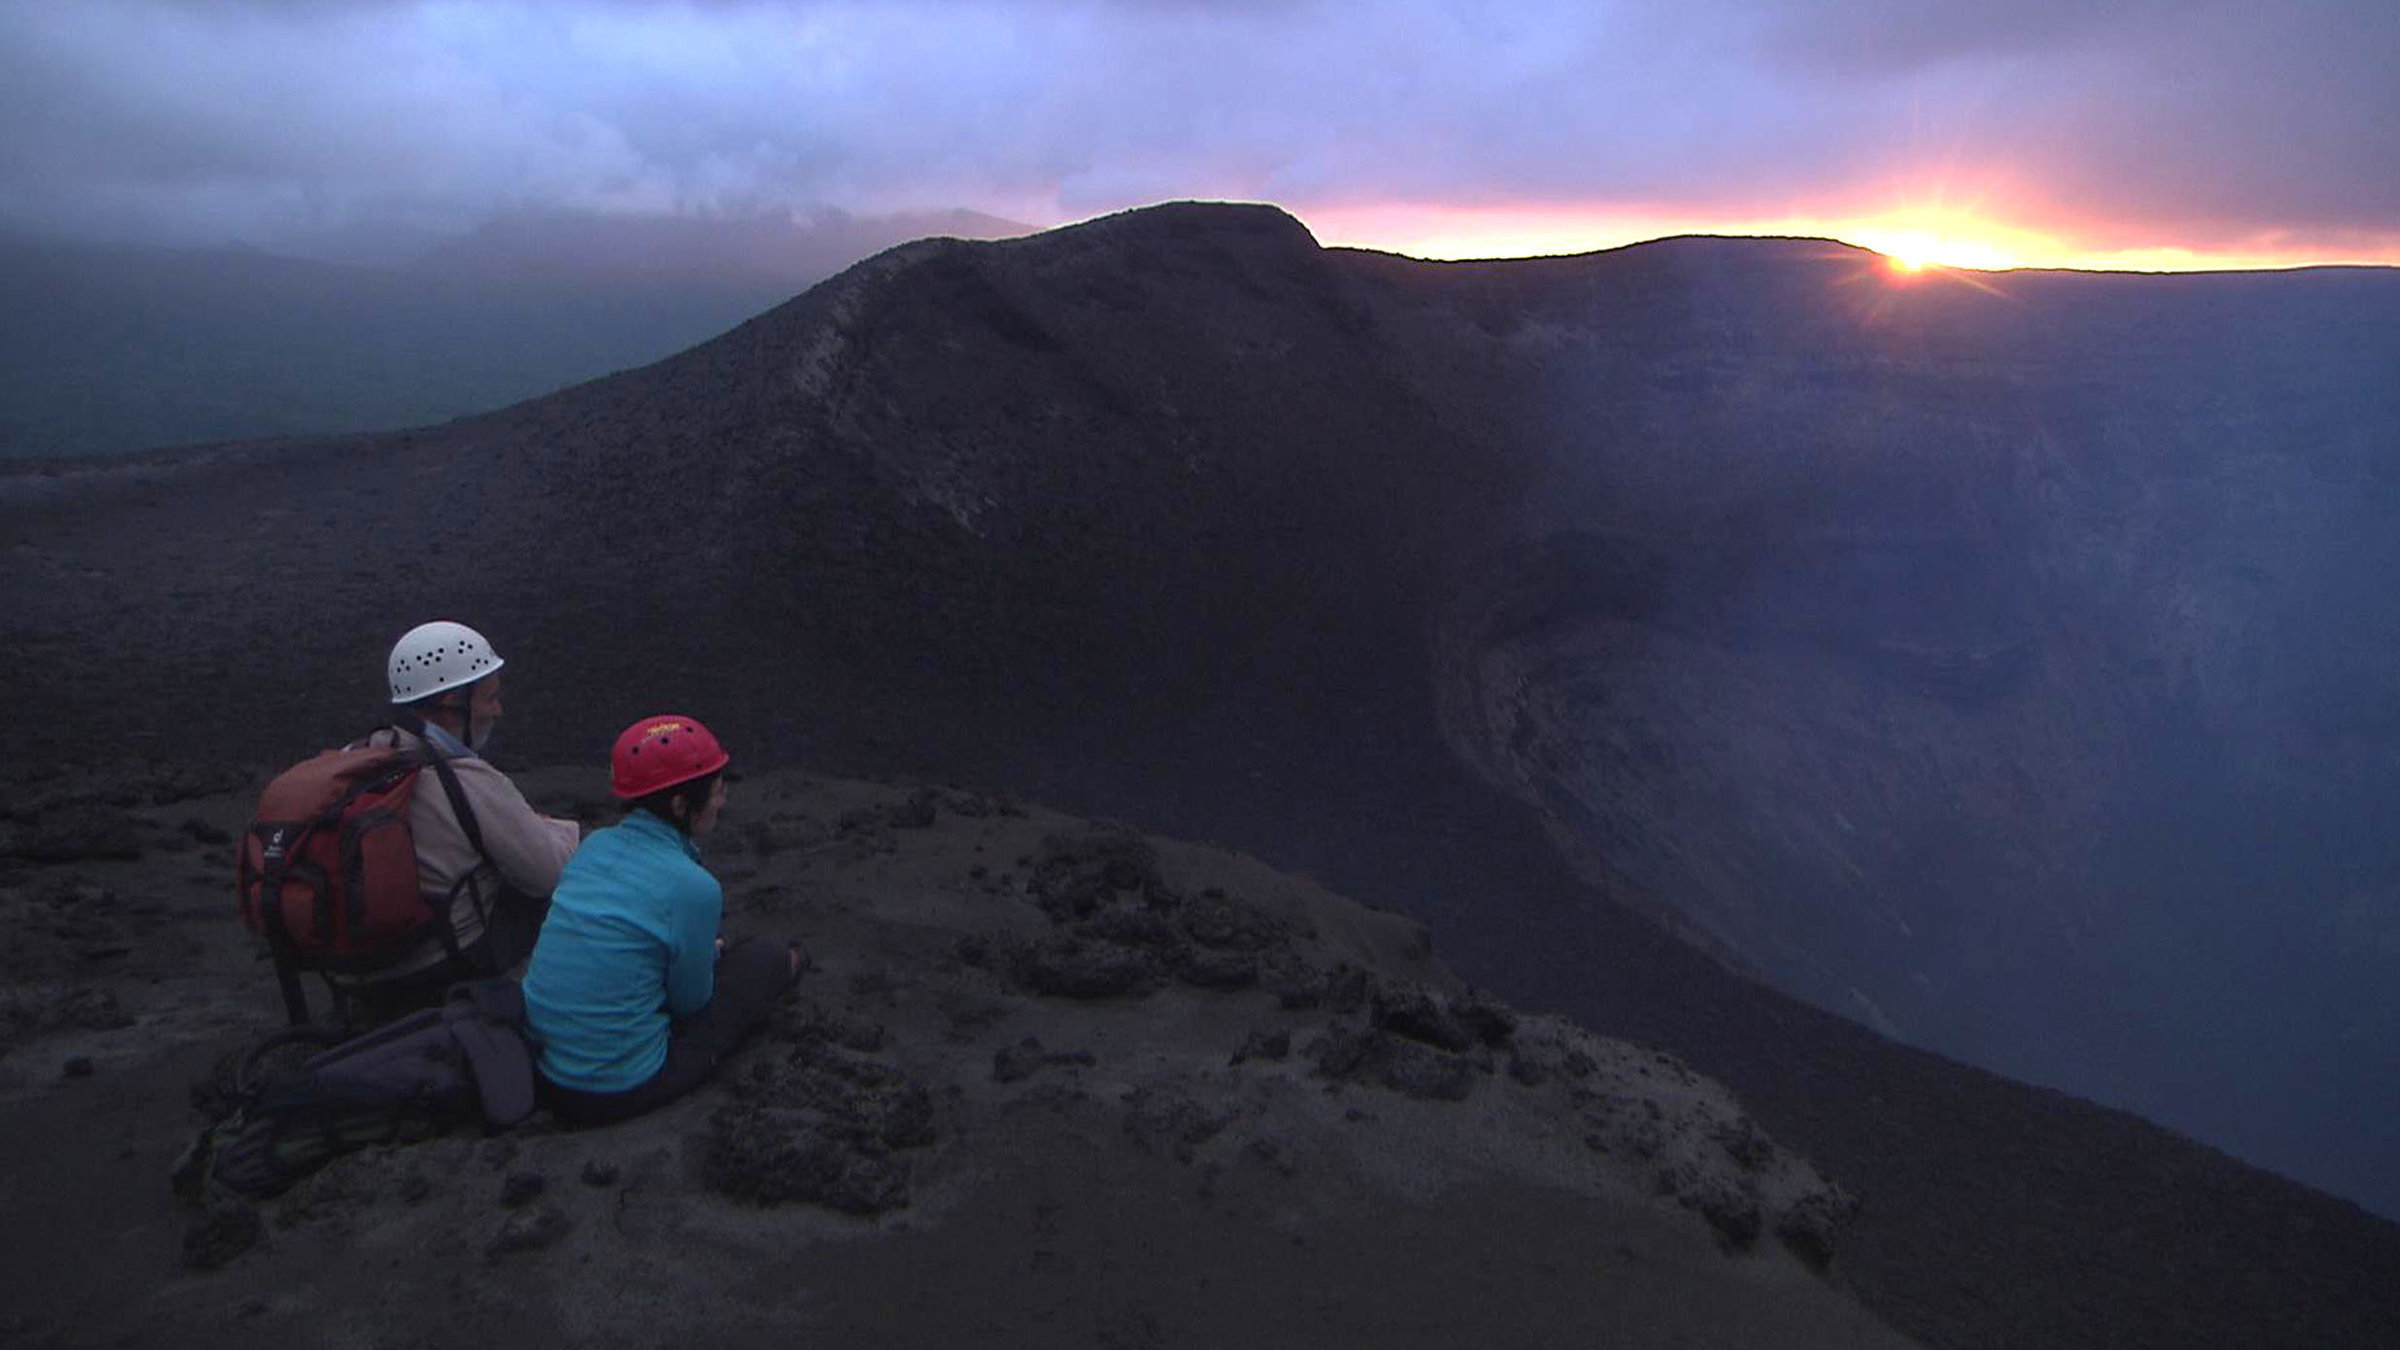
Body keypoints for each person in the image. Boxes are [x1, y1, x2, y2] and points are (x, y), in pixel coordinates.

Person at [522, 714, 801, 1125]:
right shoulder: (694, 886)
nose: (722, 802)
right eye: (717, 791)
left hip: (543, 1070)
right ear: (680, 804)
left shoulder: (595, 846)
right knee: (770, 958)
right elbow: (691, 1003)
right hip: (615, 1090)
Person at [341, 620, 582, 1021]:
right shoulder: (466, 778)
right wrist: (562, 831)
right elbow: (548, 874)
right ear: (454, 701)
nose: (497, 710)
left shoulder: (355, 756)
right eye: (490, 698)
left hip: (353, 964)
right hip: (432, 965)